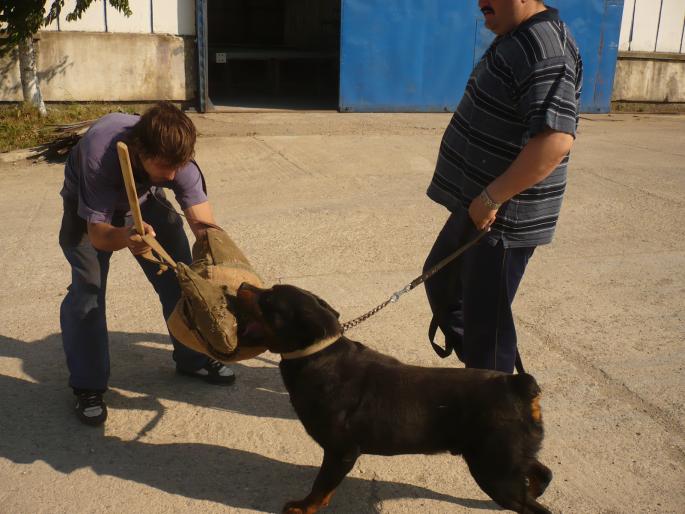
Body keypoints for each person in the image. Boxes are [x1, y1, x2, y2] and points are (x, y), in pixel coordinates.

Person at [424, 0, 583, 373]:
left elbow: (556, 141)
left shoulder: (545, 47)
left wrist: (492, 196)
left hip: (501, 219)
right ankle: (484, 377)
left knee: (487, 324)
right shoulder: (518, 36)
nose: (481, 2)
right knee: (444, 281)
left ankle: (491, 404)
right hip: (480, 207)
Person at [59, 102, 235, 426]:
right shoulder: (100, 156)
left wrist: (221, 257)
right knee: (88, 292)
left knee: (184, 277)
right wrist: (127, 237)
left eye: (176, 167)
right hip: (88, 213)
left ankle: (193, 358)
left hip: (143, 199)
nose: (171, 175)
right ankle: (88, 385)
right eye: (165, 166)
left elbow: (203, 225)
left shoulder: (175, 159)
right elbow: (99, 236)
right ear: (139, 150)